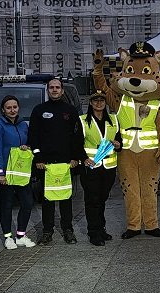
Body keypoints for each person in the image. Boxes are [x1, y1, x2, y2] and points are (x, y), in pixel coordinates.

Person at [28, 78, 87, 245]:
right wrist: (38, 158)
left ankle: (68, 230)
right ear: (48, 90)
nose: (54, 90)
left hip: (66, 163)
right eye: (51, 87)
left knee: (66, 199)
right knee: (47, 199)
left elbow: (77, 137)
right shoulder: (39, 110)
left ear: (62, 91)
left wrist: (75, 157)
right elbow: (34, 136)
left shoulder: (70, 111)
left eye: (57, 87)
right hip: (45, 164)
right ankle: (47, 231)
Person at [0, 95, 36, 250]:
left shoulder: (23, 125)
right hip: (6, 173)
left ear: (18, 108)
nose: (12, 110)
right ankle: (8, 237)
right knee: (7, 205)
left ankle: (21, 235)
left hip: (21, 172)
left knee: (27, 203)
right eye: (8, 108)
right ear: (3, 109)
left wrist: (27, 146)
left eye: (14, 107)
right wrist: (0, 173)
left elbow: (29, 143)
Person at [80, 90, 122, 246]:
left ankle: (101, 228)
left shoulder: (113, 120)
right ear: (90, 103)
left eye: (102, 101)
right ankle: (94, 232)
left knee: (102, 199)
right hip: (91, 167)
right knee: (92, 200)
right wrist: (83, 158)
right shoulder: (83, 120)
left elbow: (119, 141)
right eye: (95, 101)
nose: (99, 103)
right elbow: (76, 143)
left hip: (109, 167)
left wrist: (119, 145)